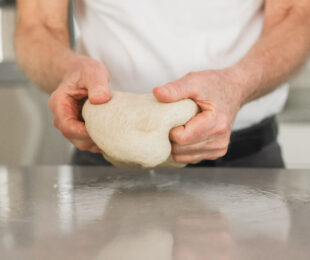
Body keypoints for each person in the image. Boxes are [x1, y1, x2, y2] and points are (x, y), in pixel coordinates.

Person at [15, 0, 310, 168]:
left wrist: (237, 85)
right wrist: (67, 70)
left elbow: (296, 16)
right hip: (102, 153)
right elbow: (37, 25)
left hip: (245, 159)